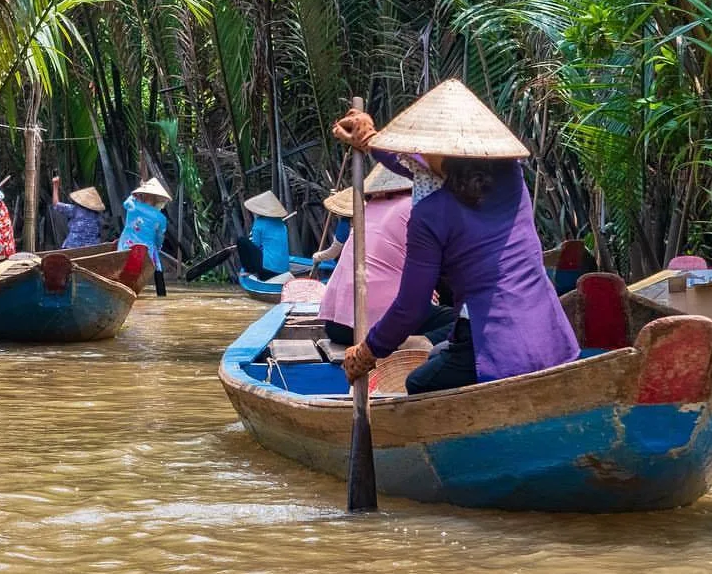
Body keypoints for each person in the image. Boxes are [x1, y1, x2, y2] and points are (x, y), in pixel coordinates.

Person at [334, 79, 580, 395]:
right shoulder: (510, 177)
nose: (414, 154)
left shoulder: (430, 213)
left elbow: (411, 307)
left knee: (418, 383)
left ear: (434, 151)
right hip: (551, 337)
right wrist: (369, 140)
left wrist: (368, 351)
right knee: (438, 353)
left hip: (493, 347)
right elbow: (423, 170)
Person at [316, 164, 457, 346]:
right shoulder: (417, 208)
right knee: (468, 323)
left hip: (337, 326)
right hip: (380, 326)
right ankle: (417, 343)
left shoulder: (369, 208)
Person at [119, 177, 171, 296]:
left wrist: (137, 194)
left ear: (143, 195)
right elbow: (159, 238)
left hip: (126, 246)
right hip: (148, 251)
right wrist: (158, 248)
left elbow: (126, 202)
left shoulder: (132, 206)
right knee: (158, 268)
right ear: (157, 200)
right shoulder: (161, 218)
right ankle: (161, 295)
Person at [241, 191, 291, 278]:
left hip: (267, 270)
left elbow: (256, 245)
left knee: (241, 241)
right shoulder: (280, 222)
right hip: (284, 269)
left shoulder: (259, 223)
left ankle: (249, 271)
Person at [51, 176, 106, 249]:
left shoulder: (75, 210)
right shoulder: (98, 215)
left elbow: (56, 204)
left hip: (72, 246)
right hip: (92, 247)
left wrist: (55, 186)